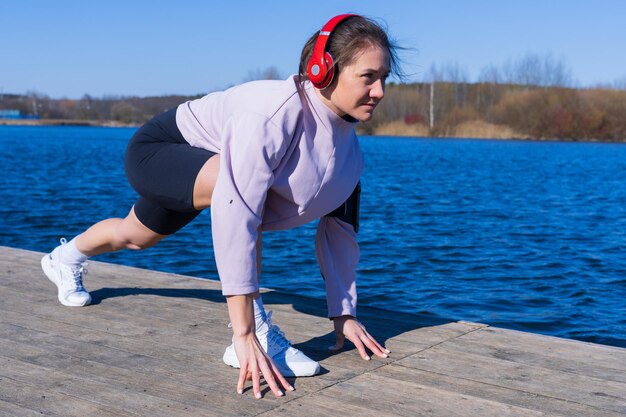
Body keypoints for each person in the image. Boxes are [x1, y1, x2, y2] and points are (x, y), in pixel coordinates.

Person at [41, 13, 400, 399]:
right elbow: (239, 213)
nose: (379, 91)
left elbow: (339, 231)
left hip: (212, 164)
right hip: (161, 150)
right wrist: (244, 331)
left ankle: (64, 257)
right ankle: (255, 333)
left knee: (134, 236)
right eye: (368, 77)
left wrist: (343, 313)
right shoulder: (272, 115)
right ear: (322, 70)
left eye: (384, 79)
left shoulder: (350, 153)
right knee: (245, 192)